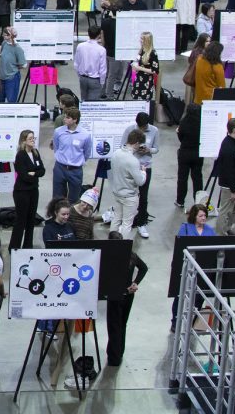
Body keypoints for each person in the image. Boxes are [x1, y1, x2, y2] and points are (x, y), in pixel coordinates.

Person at [103, 230, 148, 367]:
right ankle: (119, 353)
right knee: (122, 325)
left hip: (115, 295)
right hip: (129, 295)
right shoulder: (131, 255)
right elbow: (144, 268)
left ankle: (114, 358)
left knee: (113, 326)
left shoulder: (109, 257)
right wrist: (135, 283)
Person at [9, 129, 44, 251]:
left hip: (34, 190)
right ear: (24, 141)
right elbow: (23, 176)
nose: (33, 140)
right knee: (21, 220)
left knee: (31, 220)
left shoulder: (35, 153)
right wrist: (35, 174)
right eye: (30, 138)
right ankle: (14, 247)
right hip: (22, 191)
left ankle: (28, 246)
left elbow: (42, 171)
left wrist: (33, 173)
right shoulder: (20, 155)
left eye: (33, 138)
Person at [109, 130, 147, 238]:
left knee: (116, 219)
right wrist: (143, 171)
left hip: (117, 193)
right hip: (129, 196)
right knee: (126, 224)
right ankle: (122, 247)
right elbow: (140, 181)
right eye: (140, 144)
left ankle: (110, 243)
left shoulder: (116, 153)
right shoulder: (133, 161)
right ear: (136, 143)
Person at [214, 118, 235, 236]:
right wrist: (233, 190)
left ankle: (227, 228)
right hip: (229, 186)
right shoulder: (228, 147)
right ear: (234, 130)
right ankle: (220, 235)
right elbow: (227, 170)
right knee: (225, 211)